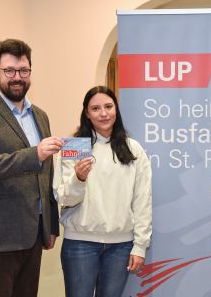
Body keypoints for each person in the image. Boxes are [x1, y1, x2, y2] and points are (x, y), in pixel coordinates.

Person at [0, 39, 62, 297]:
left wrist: (50, 224)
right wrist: (35, 153)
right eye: (9, 71)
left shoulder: (40, 115)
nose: (17, 77)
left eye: (23, 71)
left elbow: (47, 173)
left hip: (32, 236)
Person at [53, 86, 152, 297]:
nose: (104, 113)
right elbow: (63, 198)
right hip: (79, 243)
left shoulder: (133, 149)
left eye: (108, 106)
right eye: (96, 108)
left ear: (116, 109)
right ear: (87, 114)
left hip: (121, 246)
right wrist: (78, 178)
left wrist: (140, 245)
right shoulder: (75, 147)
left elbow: (142, 200)